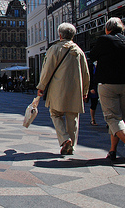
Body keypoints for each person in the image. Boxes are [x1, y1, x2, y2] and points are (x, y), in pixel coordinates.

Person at [89, 17, 125, 166]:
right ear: (122, 28)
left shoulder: (104, 40)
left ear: (107, 29)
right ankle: (112, 150)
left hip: (108, 83)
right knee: (120, 118)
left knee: (112, 118)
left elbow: (92, 56)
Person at [37, 23, 89, 155]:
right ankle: (71, 146)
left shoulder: (54, 49)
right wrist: (85, 91)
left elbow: (46, 69)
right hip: (75, 90)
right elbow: (86, 73)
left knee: (55, 114)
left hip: (58, 89)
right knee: (73, 118)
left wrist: (41, 86)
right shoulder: (79, 51)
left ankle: (65, 139)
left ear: (60, 35)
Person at [87, 60, 99, 126]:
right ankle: (93, 119)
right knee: (94, 103)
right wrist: (90, 87)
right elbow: (89, 76)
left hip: (102, 85)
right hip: (94, 87)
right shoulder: (91, 65)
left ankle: (108, 121)